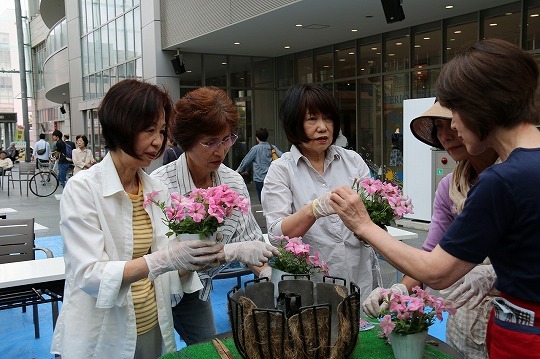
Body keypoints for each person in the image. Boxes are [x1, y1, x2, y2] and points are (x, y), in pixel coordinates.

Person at [331, 39, 540, 358]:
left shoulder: (501, 180)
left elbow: (437, 270)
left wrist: (363, 224)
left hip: (524, 335)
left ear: (480, 105)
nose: (451, 127)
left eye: (454, 112)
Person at [51, 80, 276, 358]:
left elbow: (175, 266)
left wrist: (228, 255)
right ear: (121, 127)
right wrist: (164, 260)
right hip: (103, 332)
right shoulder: (84, 188)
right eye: (148, 131)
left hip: (151, 322)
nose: (157, 141)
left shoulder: (154, 190)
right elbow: (88, 273)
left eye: (160, 131)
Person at [363, 101, 499, 358]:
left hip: (518, 316)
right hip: (465, 317)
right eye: (438, 126)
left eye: (452, 123)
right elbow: (430, 256)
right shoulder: (450, 186)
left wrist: (495, 273)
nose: (446, 134)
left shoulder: (516, 176)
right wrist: (400, 290)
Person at [151, 86, 278, 345]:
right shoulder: (159, 186)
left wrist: (270, 275)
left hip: (196, 291)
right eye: (210, 142)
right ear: (186, 140)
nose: (221, 151)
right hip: (158, 291)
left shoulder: (232, 182)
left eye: (227, 139)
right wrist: (231, 252)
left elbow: (249, 240)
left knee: (209, 345)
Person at [262, 83, 381, 304]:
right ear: (293, 123)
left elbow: (371, 214)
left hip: (359, 279)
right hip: (313, 286)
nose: (323, 127)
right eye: (312, 119)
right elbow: (277, 236)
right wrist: (314, 209)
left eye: (328, 119)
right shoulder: (282, 170)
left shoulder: (352, 161)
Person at [236, 127, 283, 203]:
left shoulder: (255, 149)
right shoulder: (272, 147)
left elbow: (246, 161)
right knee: (272, 199)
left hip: (259, 178)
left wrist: (238, 171)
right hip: (272, 177)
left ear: (257, 138)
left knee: (262, 200)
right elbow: (282, 156)